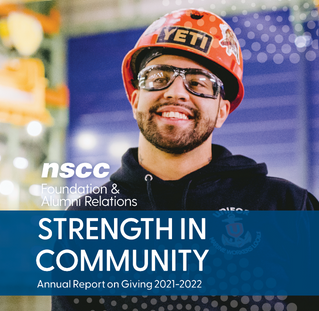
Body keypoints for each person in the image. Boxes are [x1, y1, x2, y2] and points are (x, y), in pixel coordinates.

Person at [52, 8, 318, 311]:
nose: (176, 92)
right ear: (135, 98)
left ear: (221, 111)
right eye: (158, 78)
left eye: (199, 83)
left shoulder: (287, 208)